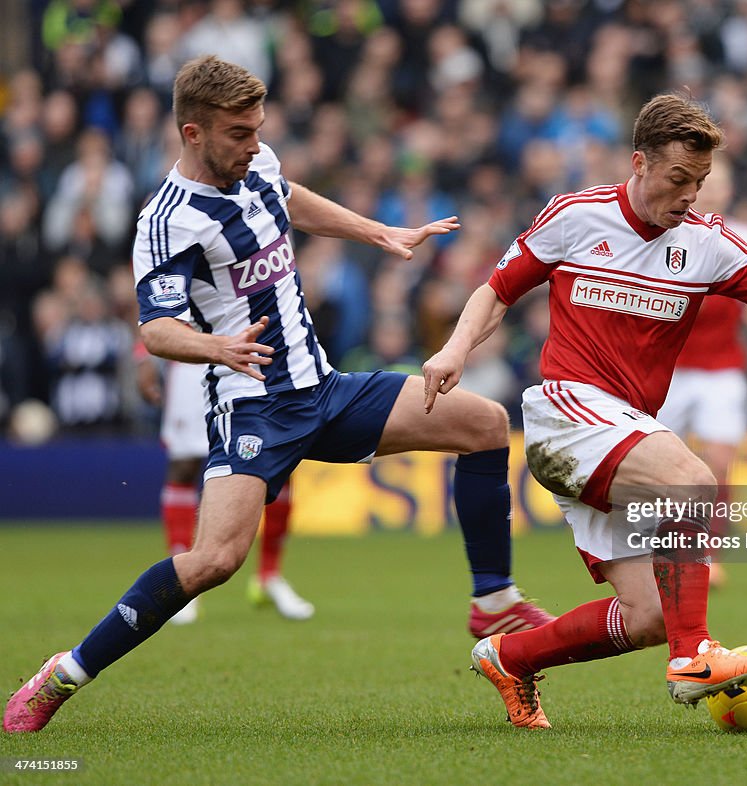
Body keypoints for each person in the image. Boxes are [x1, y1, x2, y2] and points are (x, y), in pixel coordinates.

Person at [3, 55, 552, 734]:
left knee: (484, 423)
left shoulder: (256, 164)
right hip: (253, 404)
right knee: (214, 561)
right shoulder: (168, 221)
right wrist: (216, 347)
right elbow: (156, 328)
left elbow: (290, 197)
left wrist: (377, 231)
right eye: (239, 132)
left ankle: (493, 601)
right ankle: (65, 673)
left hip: (324, 390)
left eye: (258, 128)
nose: (254, 143)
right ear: (193, 132)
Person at [422, 93, 747, 729]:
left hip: (623, 431)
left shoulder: (711, 245)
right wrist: (454, 350)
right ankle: (696, 656)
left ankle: (509, 657)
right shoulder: (578, 217)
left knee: (649, 617)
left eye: (701, 182)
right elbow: (497, 292)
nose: (689, 195)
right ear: (638, 162)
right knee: (690, 481)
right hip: (566, 410)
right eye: (678, 179)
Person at [655, 154, 747, 589]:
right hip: (672, 367)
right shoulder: (668, 231)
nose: (713, 190)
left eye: (721, 183)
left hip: (722, 366)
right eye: (708, 182)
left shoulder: (745, 236)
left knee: (719, 463)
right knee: (665, 467)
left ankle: (709, 555)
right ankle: (663, 551)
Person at [137, 354, 314, 622]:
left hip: (257, 355)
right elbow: (150, 313)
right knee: (185, 465)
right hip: (195, 358)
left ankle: (269, 576)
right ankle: (181, 583)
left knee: (280, 460)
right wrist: (143, 356)